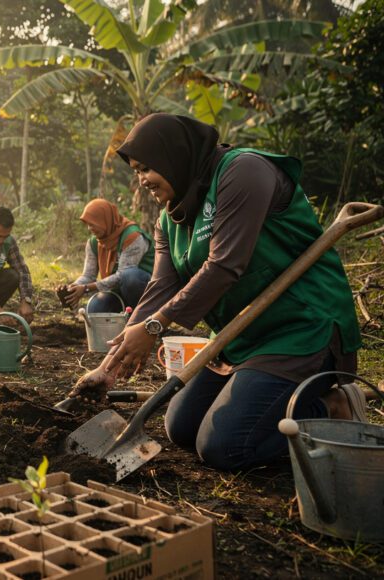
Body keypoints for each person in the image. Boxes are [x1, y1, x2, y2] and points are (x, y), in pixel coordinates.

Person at [69, 113, 365, 473]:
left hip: (300, 326)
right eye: (136, 171)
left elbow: (225, 265)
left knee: (226, 447)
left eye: (147, 168)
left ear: (174, 156)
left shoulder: (242, 172)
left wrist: (154, 328)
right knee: (181, 427)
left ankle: (331, 408)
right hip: (242, 335)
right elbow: (162, 286)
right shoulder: (170, 218)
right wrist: (107, 367)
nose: (142, 179)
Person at [59, 199, 154, 311]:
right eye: (87, 225)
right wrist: (73, 288)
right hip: (117, 292)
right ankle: (124, 319)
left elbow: (122, 275)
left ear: (104, 220)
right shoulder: (94, 243)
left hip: (147, 291)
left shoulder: (133, 237)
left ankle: (144, 316)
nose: (89, 229)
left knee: (130, 276)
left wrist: (86, 288)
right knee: (95, 309)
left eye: (92, 224)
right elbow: (88, 276)